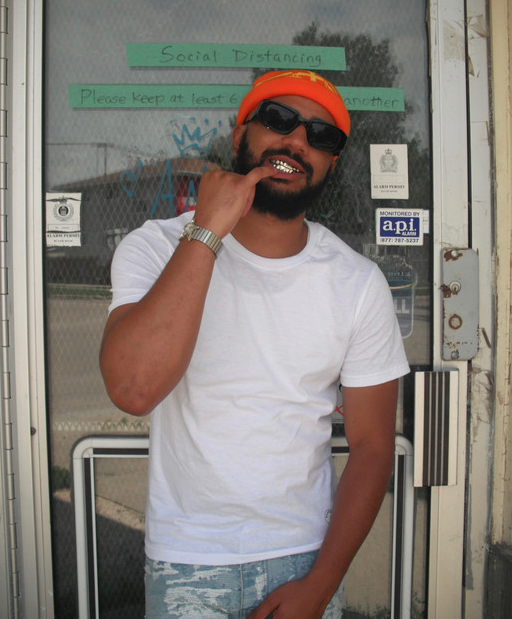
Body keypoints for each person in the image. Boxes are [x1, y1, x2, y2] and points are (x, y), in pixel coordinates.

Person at [100, 69, 410, 619]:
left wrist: (320, 585)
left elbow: (372, 447)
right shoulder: (156, 247)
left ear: (332, 163)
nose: (298, 141)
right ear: (240, 134)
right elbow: (133, 388)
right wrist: (208, 231)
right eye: (279, 119)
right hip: (187, 559)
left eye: (321, 135)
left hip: (305, 557)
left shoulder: (358, 283)